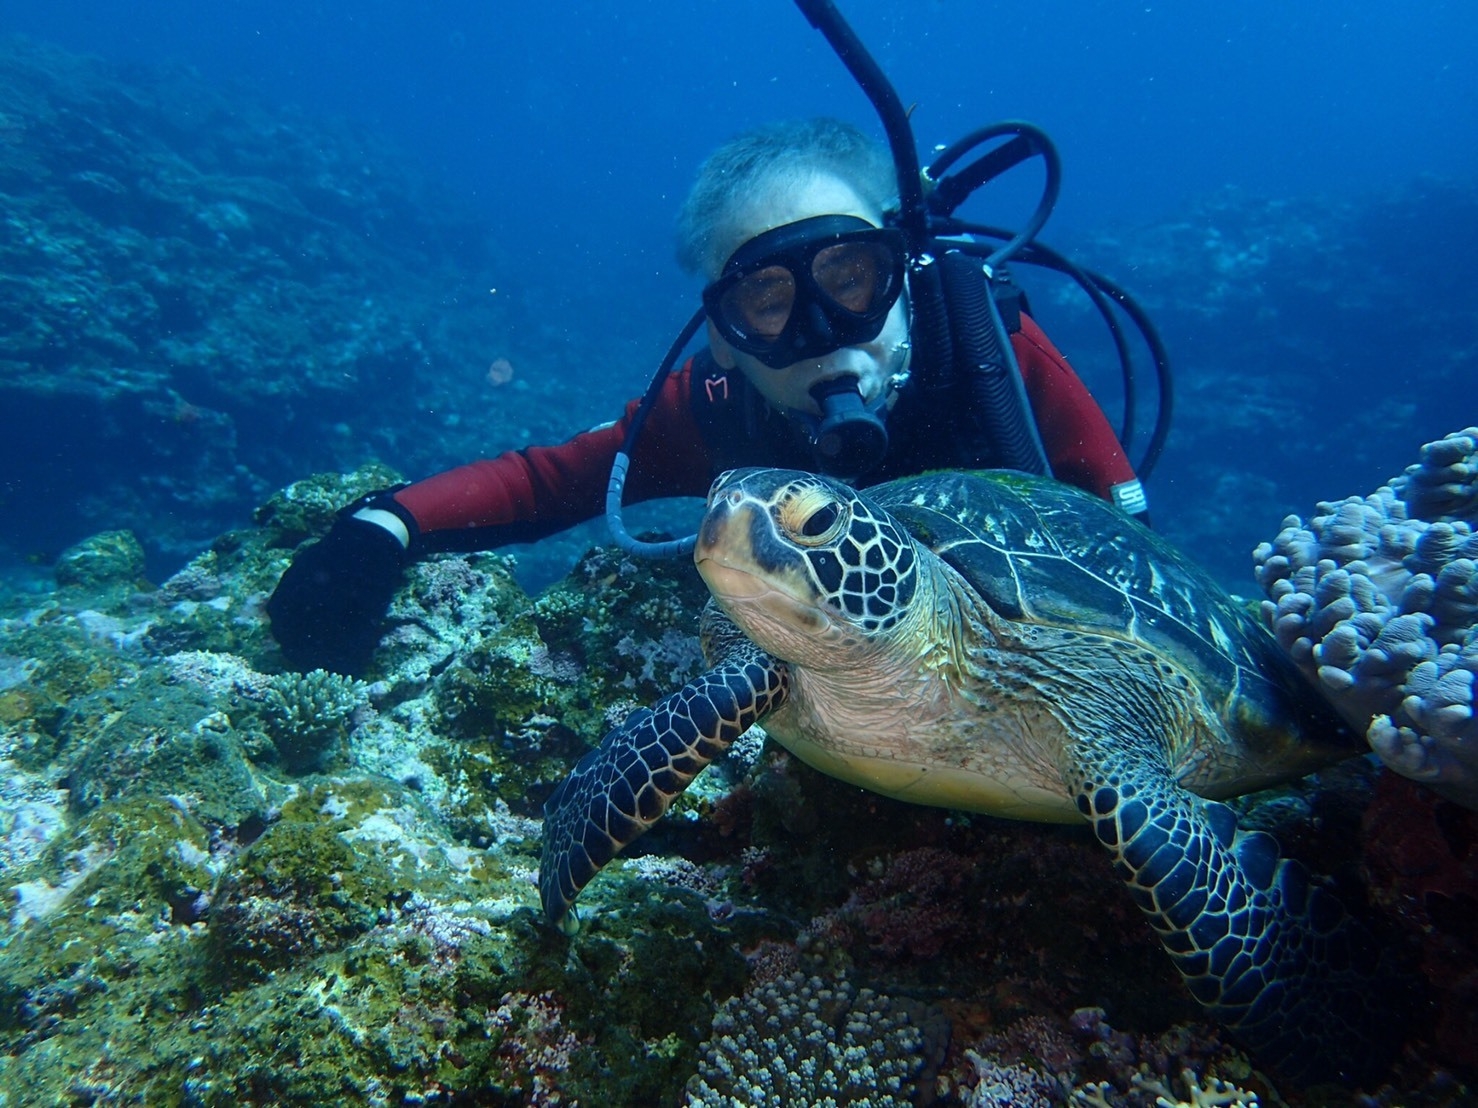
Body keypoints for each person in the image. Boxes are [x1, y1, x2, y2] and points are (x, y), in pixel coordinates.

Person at [268, 118, 1141, 677]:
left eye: (850, 276)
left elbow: (1129, 550)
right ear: (724, 336)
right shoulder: (719, 406)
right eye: (767, 300)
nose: (825, 332)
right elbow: (547, 482)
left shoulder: (989, 359)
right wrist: (380, 528)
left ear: (906, 274)